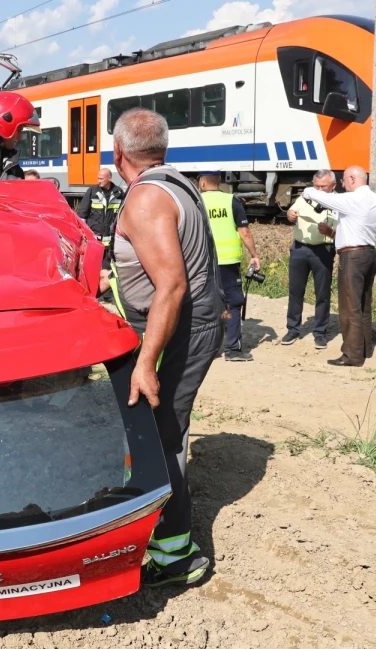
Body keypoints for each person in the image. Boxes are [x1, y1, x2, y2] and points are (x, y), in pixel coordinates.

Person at [108, 109, 223, 588]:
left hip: (177, 331)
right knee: (164, 430)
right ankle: (161, 527)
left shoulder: (145, 198)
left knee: (163, 435)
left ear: (118, 154)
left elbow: (171, 285)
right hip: (188, 326)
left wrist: (146, 361)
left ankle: (176, 554)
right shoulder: (175, 182)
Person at [301, 166, 376, 367]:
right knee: (364, 303)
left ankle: (352, 355)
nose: (344, 185)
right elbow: (353, 225)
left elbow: (316, 194)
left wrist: (309, 191)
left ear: (352, 179)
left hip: (353, 257)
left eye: (345, 181)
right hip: (370, 253)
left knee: (350, 306)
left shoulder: (353, 199)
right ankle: (365, 348)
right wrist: (332, 230)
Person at [198, 171, 259, 361]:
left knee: (206, 304)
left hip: (203, 263)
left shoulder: (196, 202)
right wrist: (254, 255)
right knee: (233, 304)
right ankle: (233, 350)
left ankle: (209, 349)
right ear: (220, 182)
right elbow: (245, 232)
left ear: (202, 183)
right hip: (228, 263)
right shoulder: (232, 201)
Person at [282, 170, 338, 349]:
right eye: (317, 186)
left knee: (322, 293)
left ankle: (320, 332)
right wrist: (290, 216)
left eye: (324, 186)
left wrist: (329, 231)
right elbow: (291, 212)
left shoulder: (339, 202)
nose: (319, 190)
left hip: (323, 250)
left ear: (333, 186)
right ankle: (293, 329)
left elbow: (343, 231)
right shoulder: (306, 196)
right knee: (295, 291)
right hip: (300, 248)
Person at [75, 167, 124, 270]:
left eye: (101, 179)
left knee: (109, 270)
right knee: (93, 268)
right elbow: (82, 215)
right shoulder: (92, 192)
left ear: (109, 178)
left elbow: (123, 215)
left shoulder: (118, 193)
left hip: (111, 243)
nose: (98, 181)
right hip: (95, 240)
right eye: (98, 178)